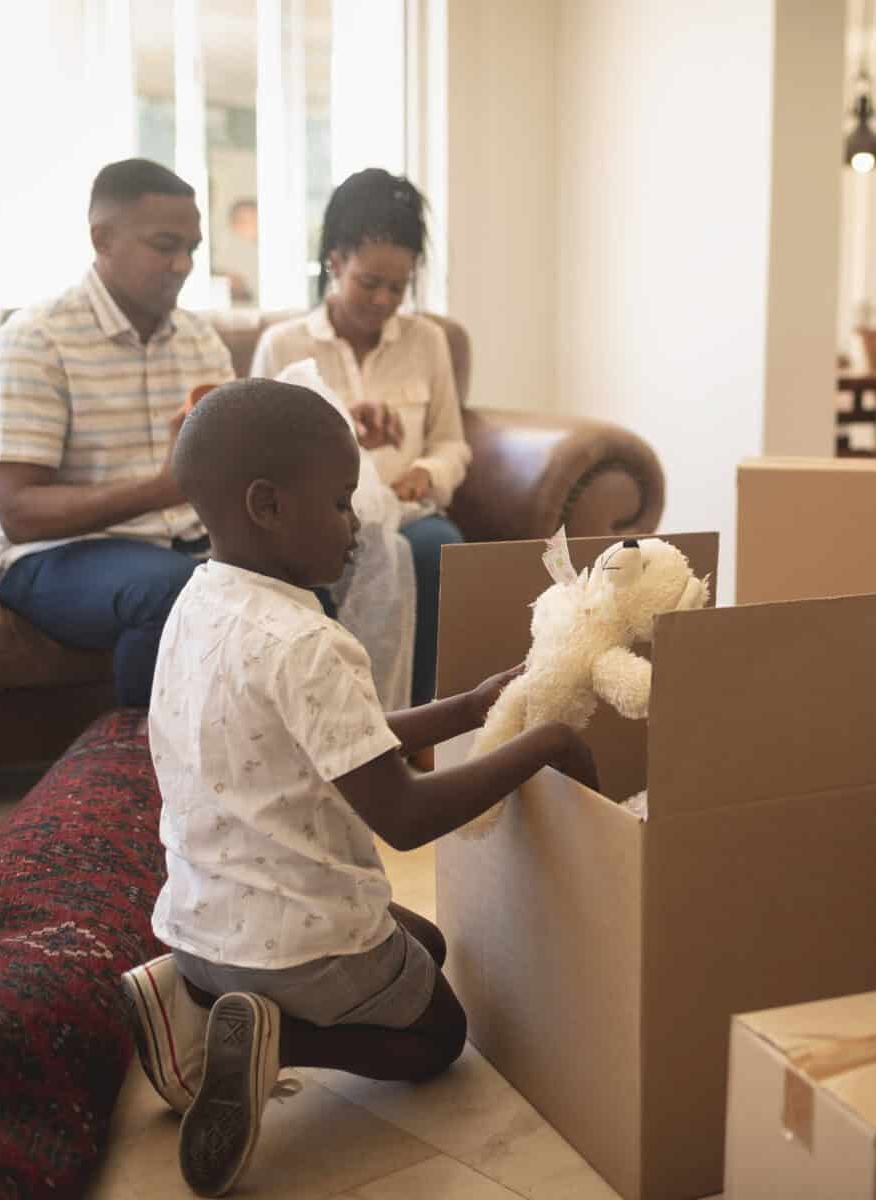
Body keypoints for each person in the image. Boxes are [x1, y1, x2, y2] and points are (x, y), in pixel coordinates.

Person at [116, 378, 597, 1197]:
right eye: (341, 502)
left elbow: (342, 746)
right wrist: (542, 744)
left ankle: (192, 998)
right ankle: (272, 1040)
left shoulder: (199, 602)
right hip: (294, 943)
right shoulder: (311, 641)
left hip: (200, 925)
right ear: (266, 505)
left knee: (429, 947)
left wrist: (470, 709)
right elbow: (405, 818)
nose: (359, 522)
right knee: (436, 1038)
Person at [0, 158, 234, 708]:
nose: (184, 264)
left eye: (193, 246)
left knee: (297, 587)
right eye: (165, 245)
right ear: (102, 238)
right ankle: (138, 784)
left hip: (181, 541)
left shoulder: (200, 340)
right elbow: (19, 514)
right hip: (52, 554)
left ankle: (292, 778)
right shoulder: (35, 340)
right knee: (175, 592)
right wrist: (163, 488)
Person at [251, 169, 469, 708]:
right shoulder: (284, 345)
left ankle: (422, 718)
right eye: (369, 282)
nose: (382, 300)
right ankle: (330, 720)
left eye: (398, 287)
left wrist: (427, 474)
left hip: (407, 511)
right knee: (328, 559)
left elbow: (451, 443)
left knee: (437, 547)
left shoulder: (428, 342)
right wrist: (344, 431)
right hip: (315, 519)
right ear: (334, 262)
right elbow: (255, 451)